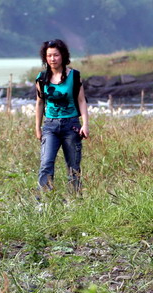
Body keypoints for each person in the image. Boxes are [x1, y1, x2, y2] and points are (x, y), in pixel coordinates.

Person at [35, 39, 89, 193]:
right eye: (49, 56)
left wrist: (85, 124)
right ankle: (44, 201)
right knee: (46, 163)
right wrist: (37, 128)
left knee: (73, 166)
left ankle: (74, 200)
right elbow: (39, 103)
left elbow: (81, 101)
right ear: (45, 58)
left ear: (63, 56)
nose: (53, 59)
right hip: (50, 126)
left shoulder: (74, 76)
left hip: (71, 125)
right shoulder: (41, 78)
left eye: (56, 55)